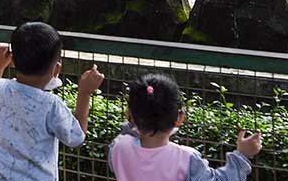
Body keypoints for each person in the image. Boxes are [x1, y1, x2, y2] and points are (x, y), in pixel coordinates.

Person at [0, 21, 105, 180]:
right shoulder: (51, 105)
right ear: (56, 69)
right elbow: (76, 137)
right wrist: (85, 93)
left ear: (13, 60)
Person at [109, 73, 262, 181]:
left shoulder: (118, 147)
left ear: (129, 114)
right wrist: (242, 155)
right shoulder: (186, 159)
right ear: (180, 118)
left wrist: (134, 117)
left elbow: (128, 132)